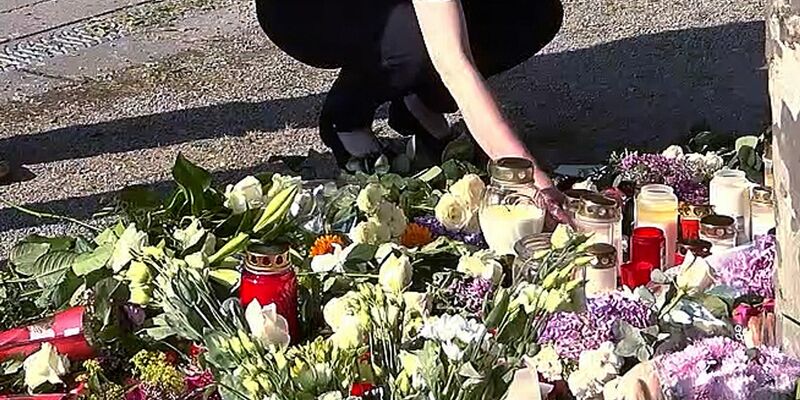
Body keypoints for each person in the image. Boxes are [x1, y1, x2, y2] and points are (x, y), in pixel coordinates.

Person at [255, 0, 570, 222]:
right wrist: (532, 181)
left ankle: (418, 98)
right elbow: (454, 64)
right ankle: (347, 117)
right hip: (308, 10)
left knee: (533, 12)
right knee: (415, 37)